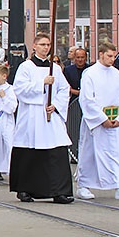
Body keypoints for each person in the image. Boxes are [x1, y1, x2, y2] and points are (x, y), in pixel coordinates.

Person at [10, 33, 73, 203]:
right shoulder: (26, 67)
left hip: (50, 114)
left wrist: (56, 105)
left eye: (48, 45)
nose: (46, 48)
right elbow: (20, 89)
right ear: (34, 46)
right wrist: (42, 84)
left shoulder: (56, 68)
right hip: (32, 115)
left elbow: (64, 89)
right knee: (29, 152)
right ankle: (25, 189)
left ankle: (58, 190)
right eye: (43, 44)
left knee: (55, 152)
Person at [76, 42, 119, 200]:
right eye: (109, 56)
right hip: (96, 123)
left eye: (114, 56)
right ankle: (83, 185)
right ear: (101, 54)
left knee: (117, 153)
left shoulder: (116, 73)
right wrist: (101, 118)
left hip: (114, 121)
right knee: (89, 153)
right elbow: (87, 99)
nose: (112, 59)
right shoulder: (90, 73)